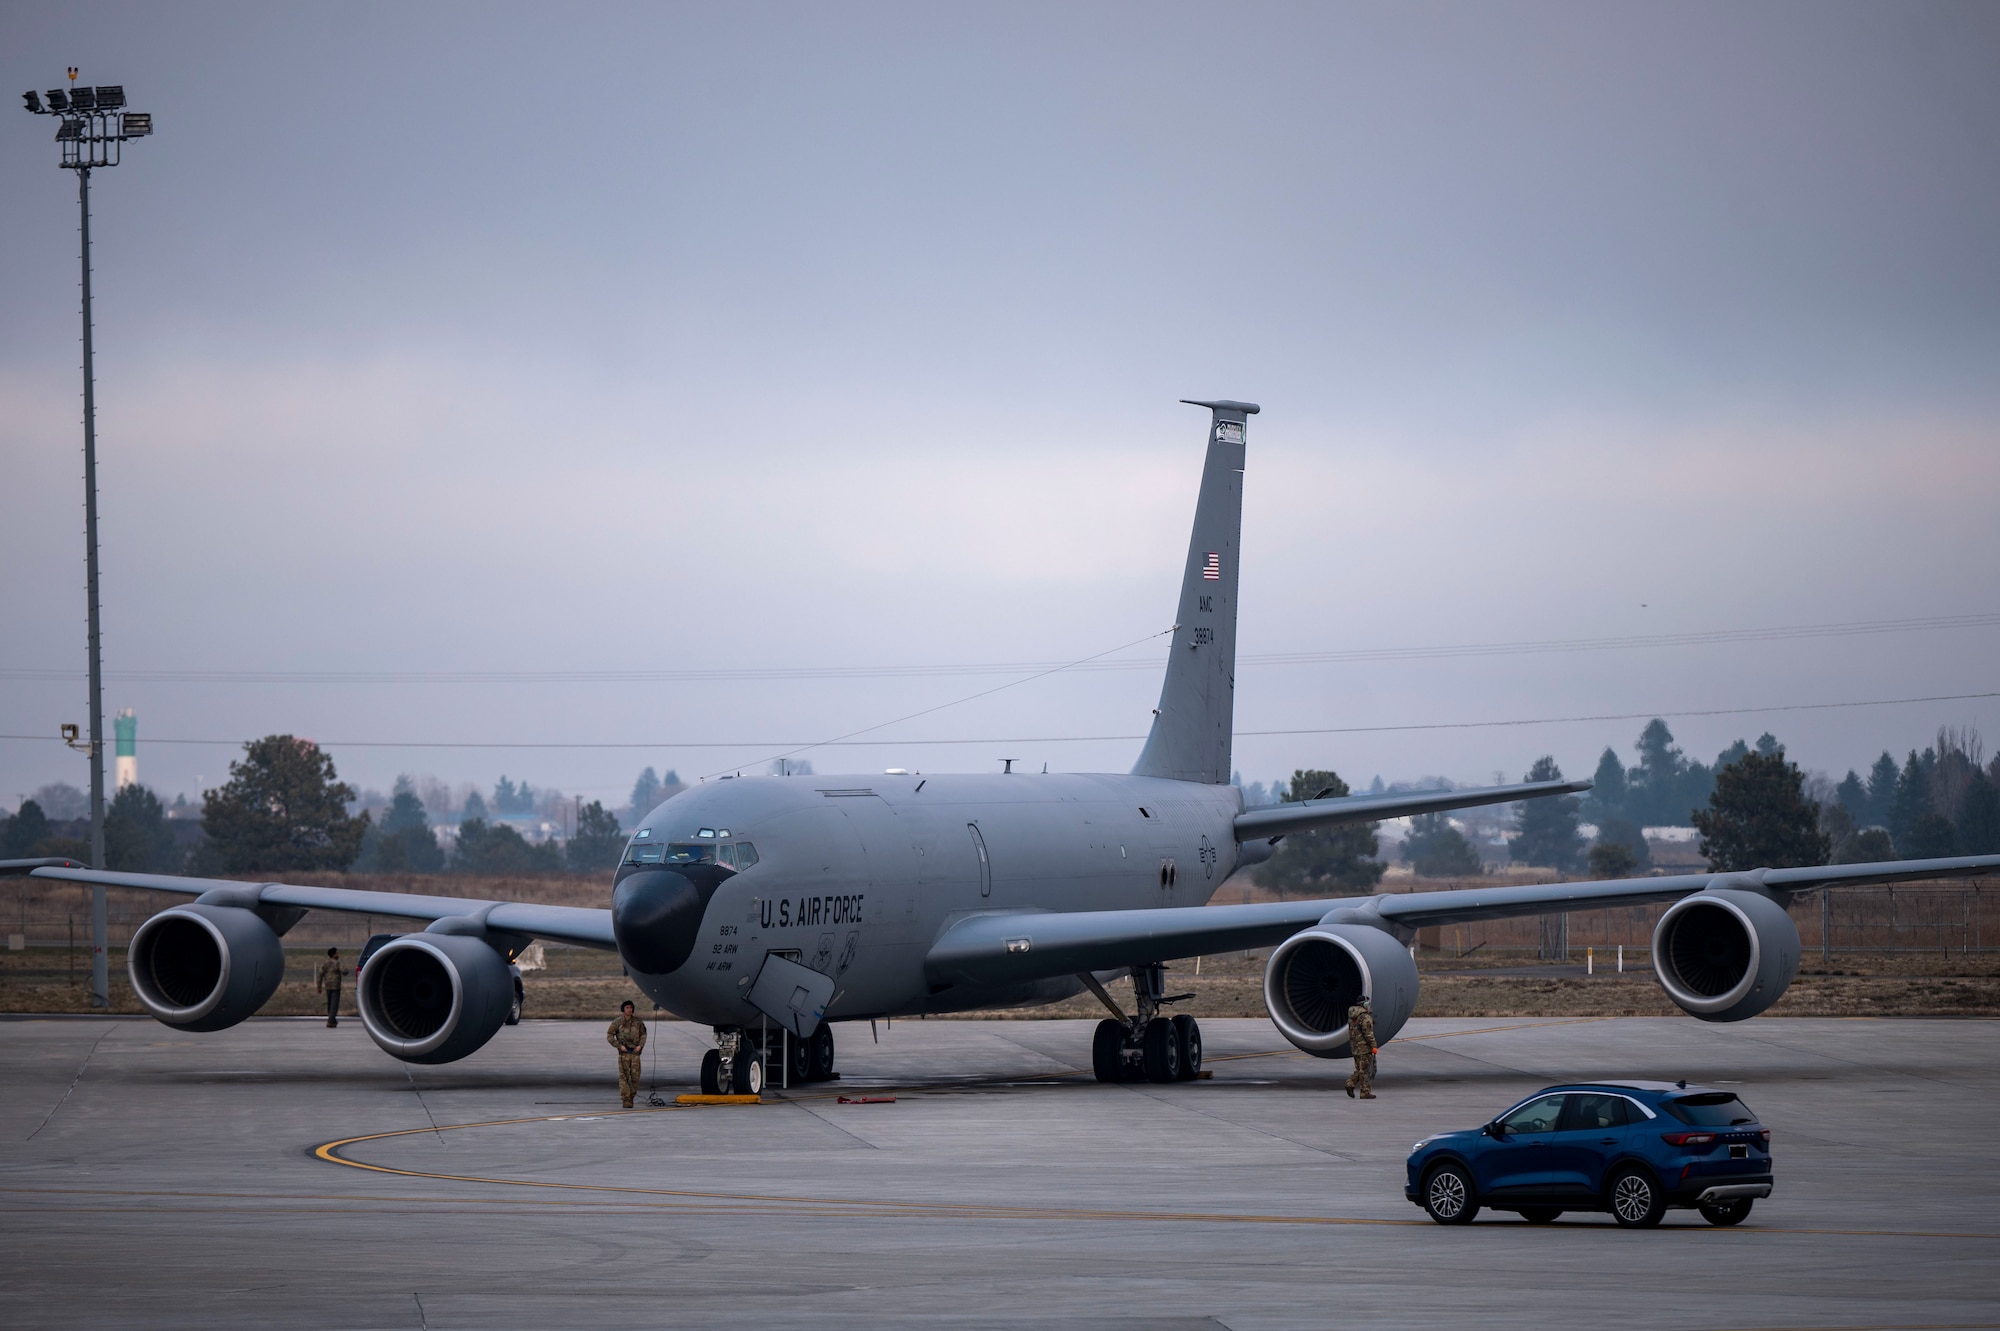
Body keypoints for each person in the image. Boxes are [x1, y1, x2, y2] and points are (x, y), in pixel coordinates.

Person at [606, 1000, 648, 1109]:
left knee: (635, 1078)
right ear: (623, 1009)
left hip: (635, 1054)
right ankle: (626, 1099)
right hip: (624, 1054)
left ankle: (631, 1097)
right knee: (623, 1077)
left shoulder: (638, 1022)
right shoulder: (618, 1022)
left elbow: (643, 1035)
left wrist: (640, 1046)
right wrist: (619, 1046)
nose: (629, 1010)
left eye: (630, 1007)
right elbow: (610, 1035)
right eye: (627, 1008)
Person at [1344, 994, 1377, 1099]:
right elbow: (1368, 1034)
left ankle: (1353, 1084)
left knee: (1360, 1069)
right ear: (1365, 1004)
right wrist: (1374, 1046)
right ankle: (1362, 1091)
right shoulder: (1365, 1017)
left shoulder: (1353, 1017)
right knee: (1365, 1071)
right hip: (1364, 1048)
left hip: (1355, 1048)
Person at [315, 947, 344, 1028]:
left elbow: (320, 975)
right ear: (333, 954)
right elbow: (345, 971)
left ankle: (332, 1020)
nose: (338, 955)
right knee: (334, 1004)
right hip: (336, 986)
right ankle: (331, 1020)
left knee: (330, 1003)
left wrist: (319, 987)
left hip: (328, 986)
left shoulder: (325, 964)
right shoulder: (337, 963)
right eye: (337, 953)